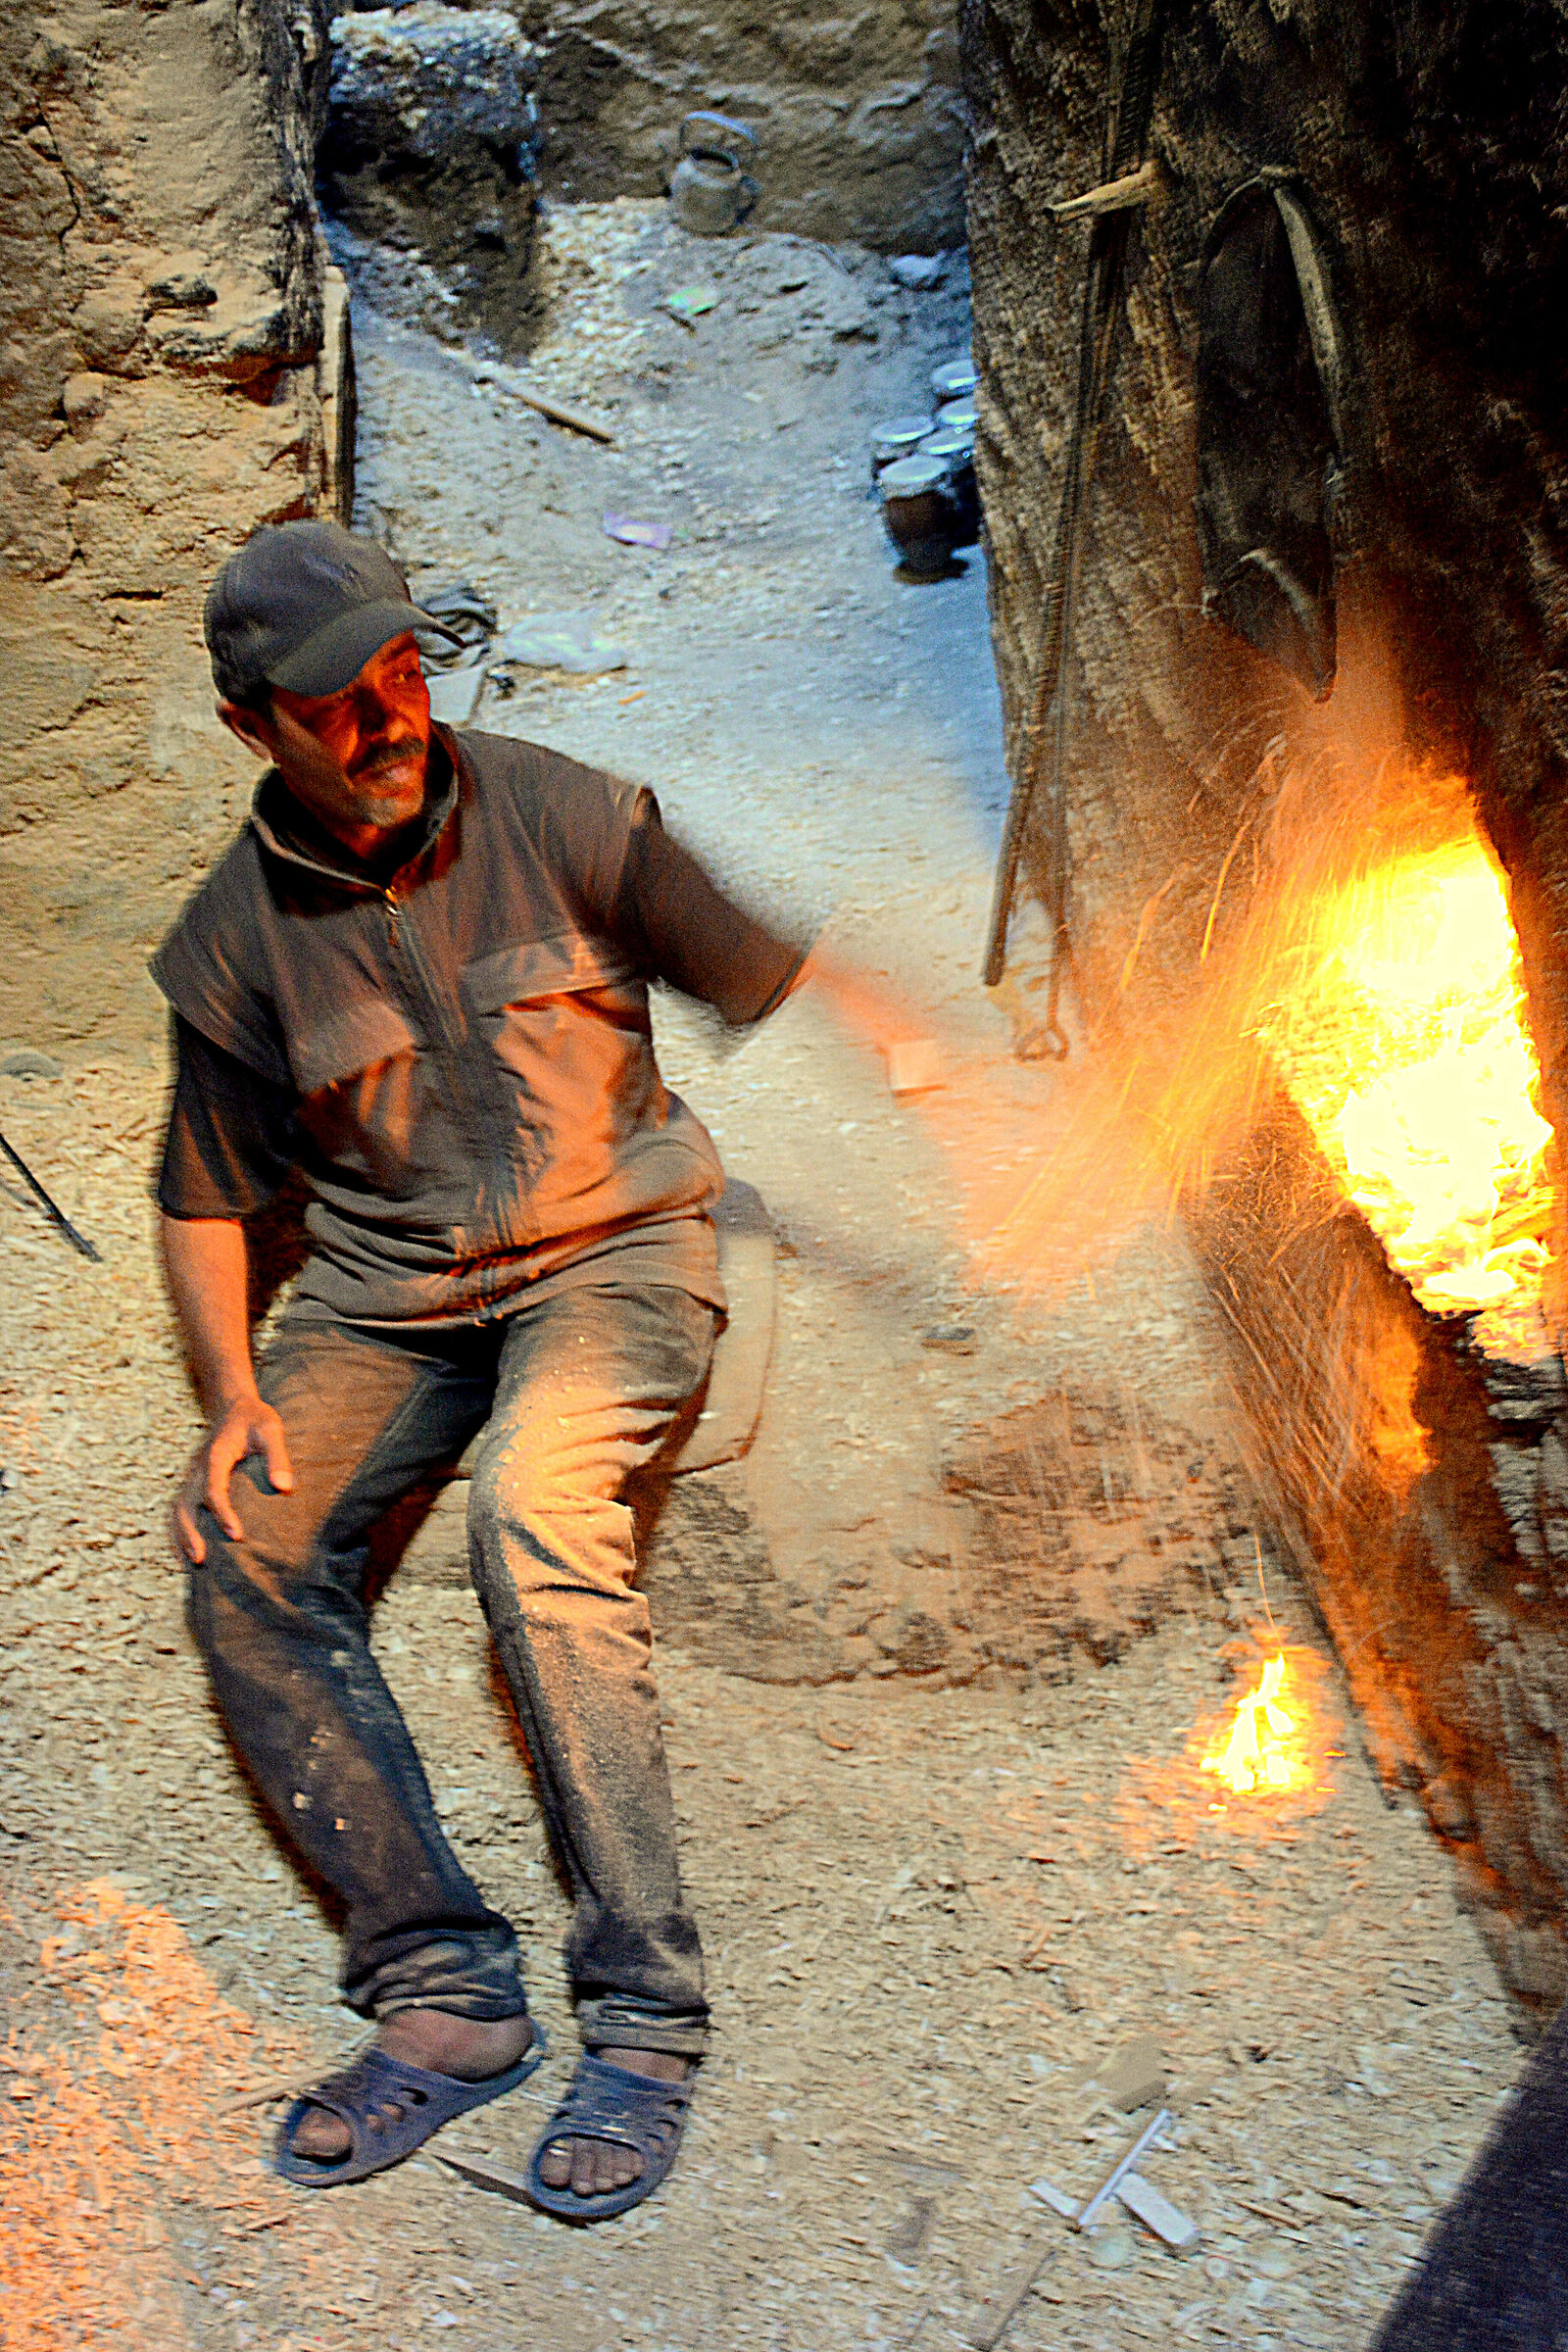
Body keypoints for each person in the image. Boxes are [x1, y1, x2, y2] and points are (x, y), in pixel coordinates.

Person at [155, 519, 916, 2217]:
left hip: (613, 1252)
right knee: (246, 1549)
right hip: (388, 1294)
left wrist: (911, 1032)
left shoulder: (565, 811)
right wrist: (230, 1396)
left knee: (535, 1509)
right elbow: (203, 1197)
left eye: (405, 672)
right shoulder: (234, 944)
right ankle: (442, 1988)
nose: (390, 714)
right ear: (249, 727)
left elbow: (759, 961)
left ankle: (643, 2017)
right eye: (338, 699)